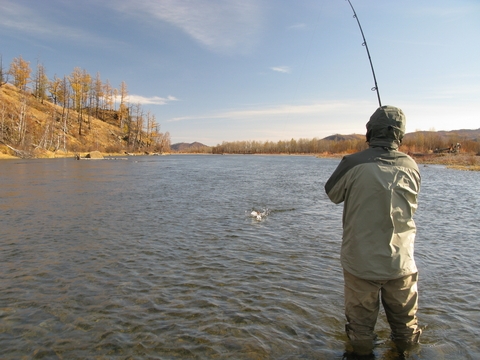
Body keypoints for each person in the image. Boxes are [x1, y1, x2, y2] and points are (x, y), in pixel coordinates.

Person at [324, 105, 422, 356]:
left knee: (361, 332)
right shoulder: (412, 166)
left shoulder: (352, 162)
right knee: (406, 330)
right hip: (402, 264)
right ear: (399, 135)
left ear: (370, 131)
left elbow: (332, 193)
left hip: (361, 264)